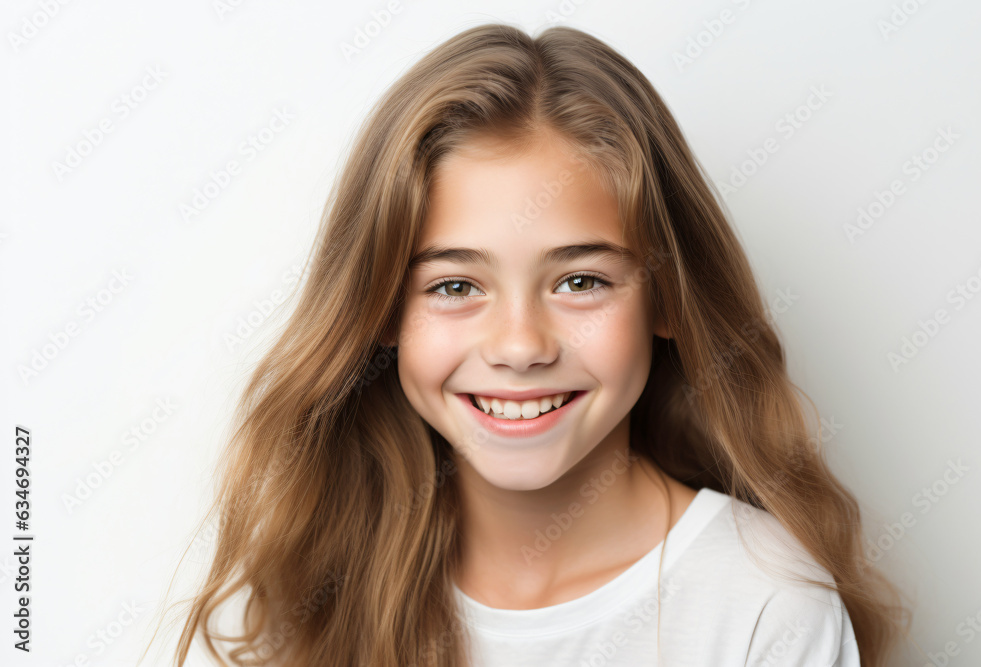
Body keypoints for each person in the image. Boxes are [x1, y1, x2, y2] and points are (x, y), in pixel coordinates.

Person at [161, 23, 915, 666]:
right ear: (380, 313)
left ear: (667, 299)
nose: (520, 346)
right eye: (455, 286)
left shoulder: (763, 607)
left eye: (581, 281)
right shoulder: (327, 575)